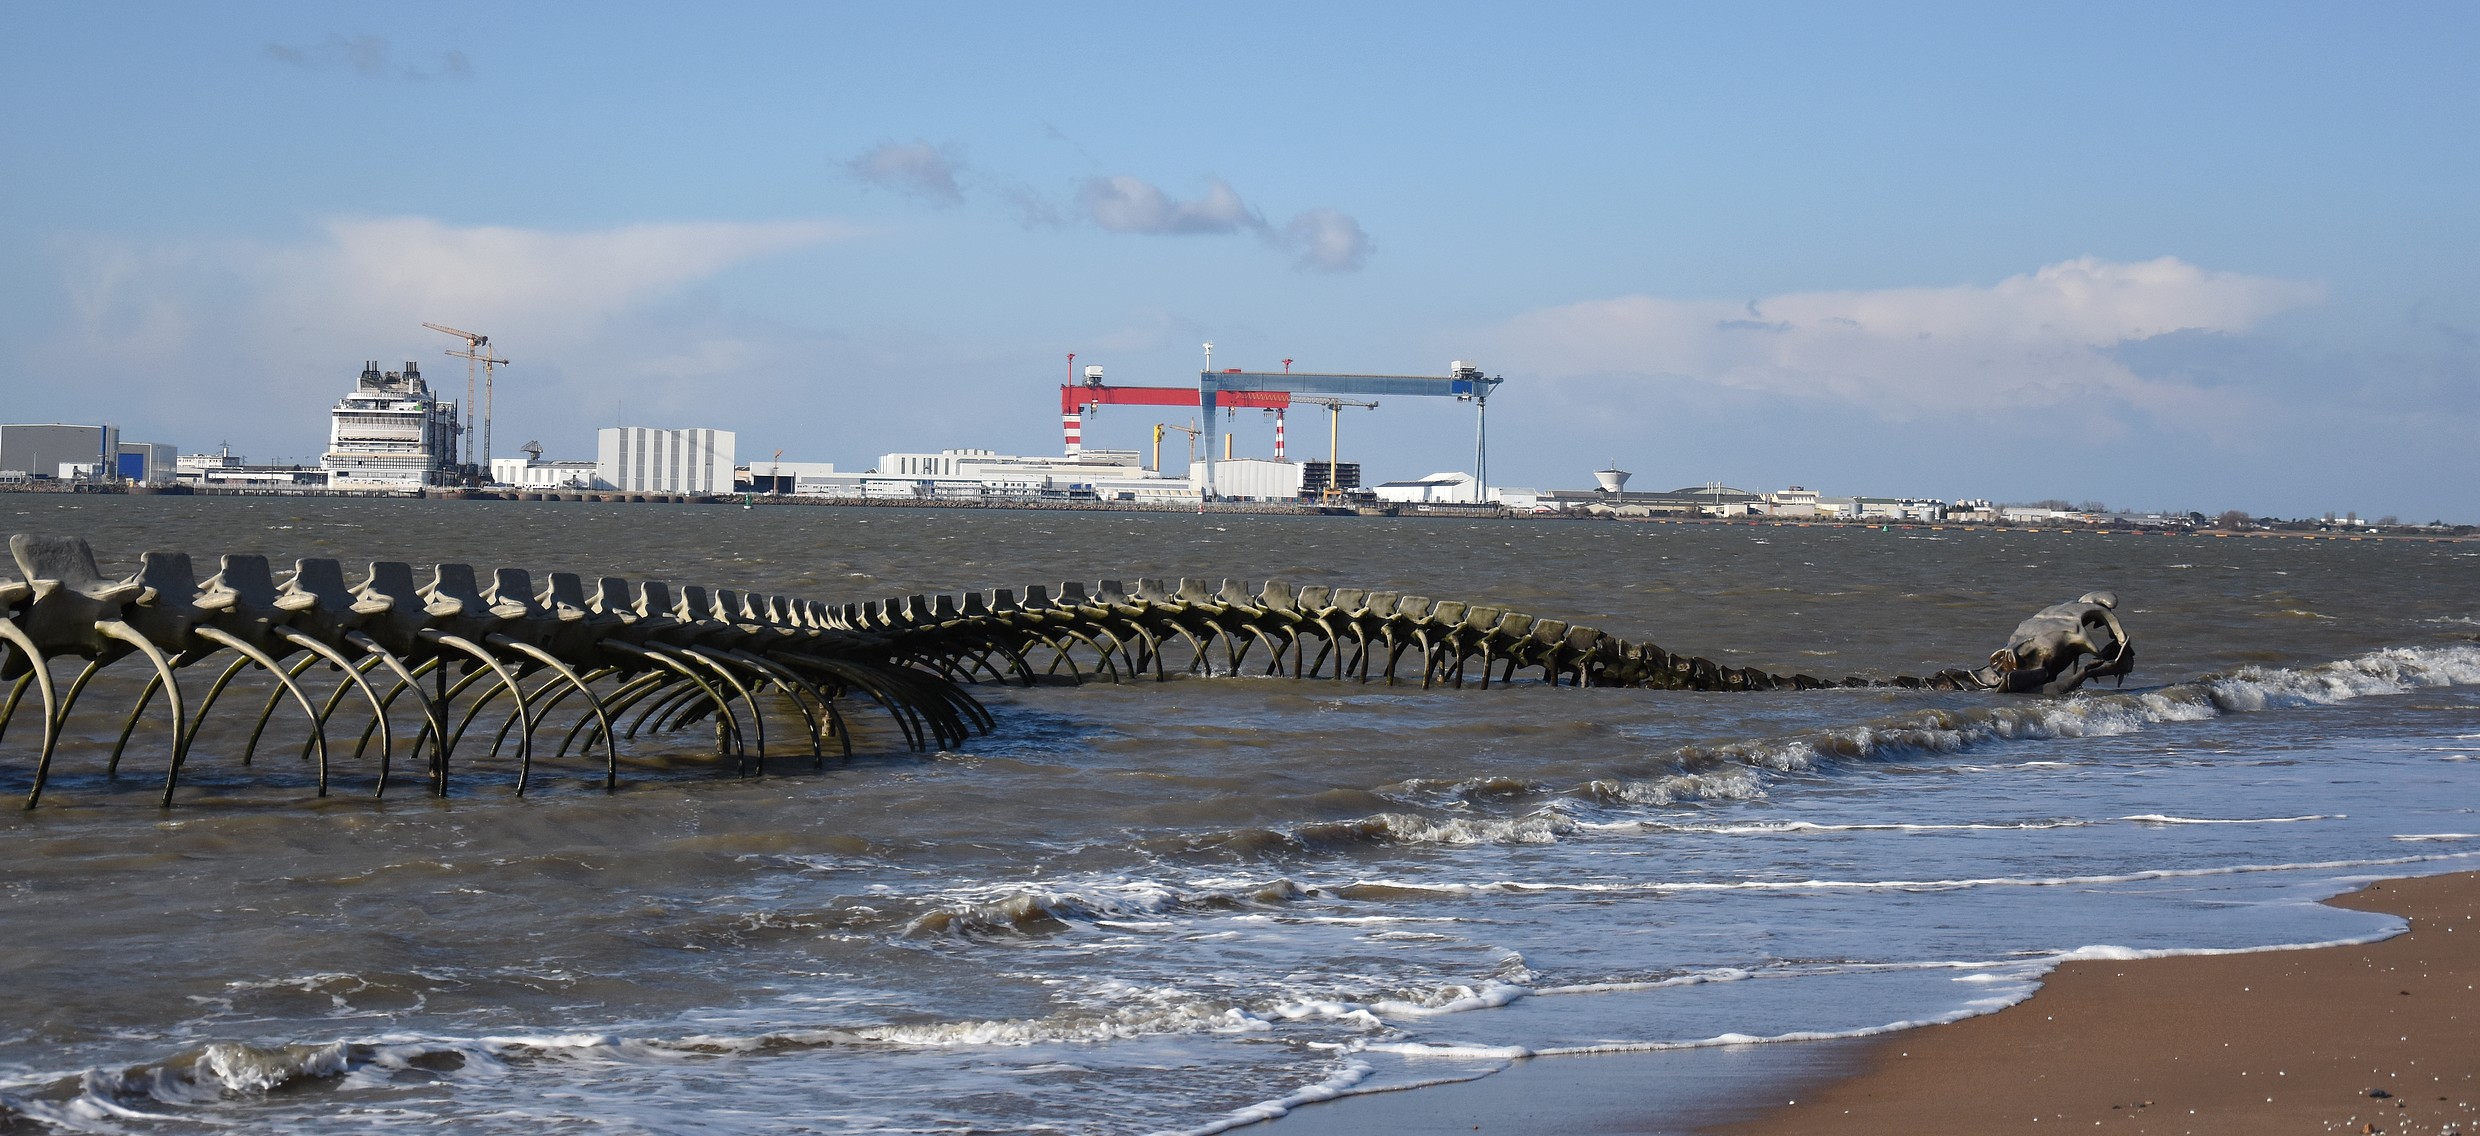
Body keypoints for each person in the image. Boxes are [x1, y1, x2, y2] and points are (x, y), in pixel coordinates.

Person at [1974, 591, 2134, 694]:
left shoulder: (2049, 612)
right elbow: (2054, 688)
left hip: (2002, 664)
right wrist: (2084, 673)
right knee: (2038, 677)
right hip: (2018, 668)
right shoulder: (2030, 676)